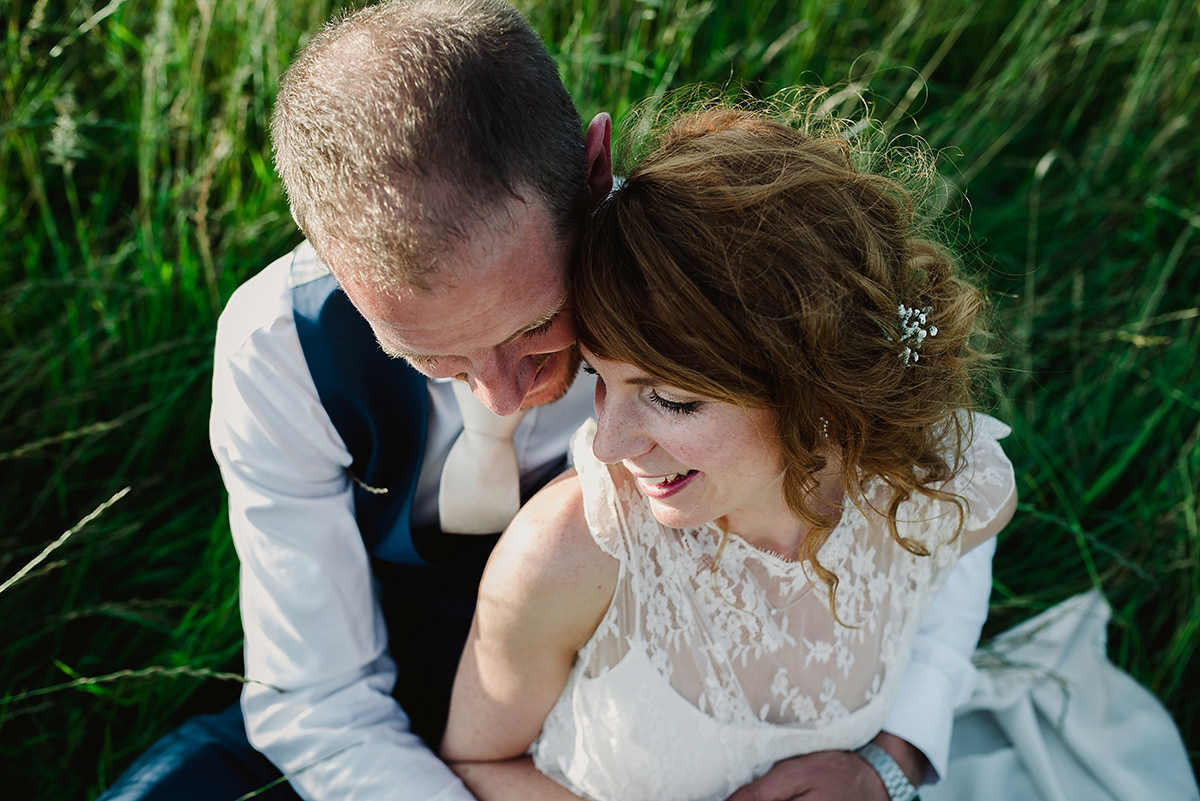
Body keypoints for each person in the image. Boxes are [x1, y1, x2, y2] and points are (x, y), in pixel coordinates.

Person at [98, 3, 998, 800]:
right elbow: (321, 700)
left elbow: (915, 481)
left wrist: (893, 754)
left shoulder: (703, 295)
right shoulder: (279, 347)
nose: (504, 391)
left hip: (667, 724)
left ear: (595, 171)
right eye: (430, 354)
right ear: (327, 253)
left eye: (536, 327)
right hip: (383, 740)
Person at [439, 104, 1018, 801]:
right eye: (600, 377)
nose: (611, 441)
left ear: (820, 391)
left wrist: (886, 766)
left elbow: (951, 579)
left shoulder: (943, 486)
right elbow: (475, 765)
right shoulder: (569, 552)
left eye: (673, 400)